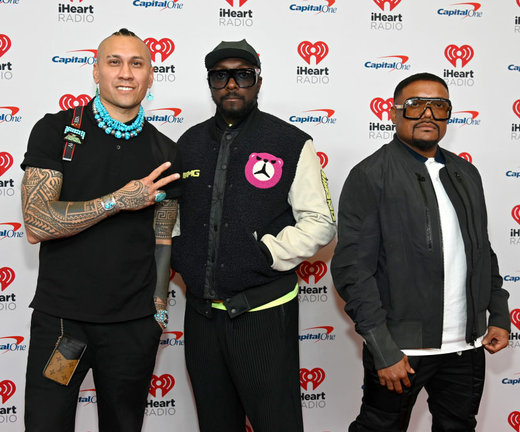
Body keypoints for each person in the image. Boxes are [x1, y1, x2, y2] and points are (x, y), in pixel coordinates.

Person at [170, 39, 337, 432]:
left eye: (242, 74)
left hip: (262, 315)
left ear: (258, 82)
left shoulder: (292, 142)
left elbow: (321, 221)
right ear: (210, 83)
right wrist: (180, 256)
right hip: (201, 319)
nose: (232, 84)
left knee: (275, 423)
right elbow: (172, 216)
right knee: (215, 423)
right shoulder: (187, 144)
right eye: (220, 75)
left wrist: (268, 254)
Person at [19, 28, 181, 432]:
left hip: (133, 328)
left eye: (137, 63)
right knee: (47, 425)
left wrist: (158, 307)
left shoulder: (166, 151)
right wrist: (116, 201)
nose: (125, 73)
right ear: (95, 71)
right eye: (114, 62)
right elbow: (36, 222)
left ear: (150, 75)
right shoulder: (58, 130)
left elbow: (163, 238)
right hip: (64, 325)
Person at [331, 72, 511, 432]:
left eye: (439, 105)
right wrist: (383, 348)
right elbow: (353, 270)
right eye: (415, 105)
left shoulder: (466, 173)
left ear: (448, 115)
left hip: (467, 346)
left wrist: (499, 312)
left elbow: (481, 250)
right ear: (394, 112)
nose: (428, 113)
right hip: (402, 350)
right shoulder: (371, 175)